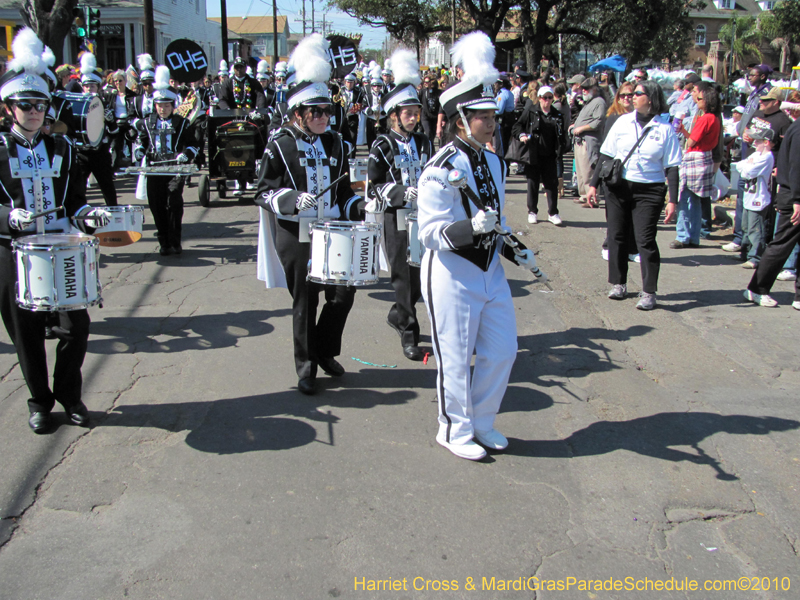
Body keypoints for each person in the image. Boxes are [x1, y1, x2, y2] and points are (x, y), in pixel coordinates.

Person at [417, 32, 546, 461]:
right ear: (460, 119)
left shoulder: (492, 160)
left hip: (490, 269)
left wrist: (515, 250)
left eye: (493, 114)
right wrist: (470, 227)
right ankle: (453, 429)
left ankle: (483, 421)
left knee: (503, 350)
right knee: (454, 357)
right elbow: (430, 233)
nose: (492, 123)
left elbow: (498, 223)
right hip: (452, 272)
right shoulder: (438, 169)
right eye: (483, 116)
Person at [0, 28, 111, 433]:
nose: (33, 112)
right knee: (25, 333)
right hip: (12, 252)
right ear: (10, 108)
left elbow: (76, 199)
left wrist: (88, 216)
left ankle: (70, 395)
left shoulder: (64, 149)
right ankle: (40, 402)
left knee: (76, 325)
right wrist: (10, 219)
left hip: (61, 247)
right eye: (24, 105)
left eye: (40, 105)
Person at [254, 34, 362, 395]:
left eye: (328, 110)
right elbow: (263, 191)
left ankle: (323, 349)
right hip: (296, 233)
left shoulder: (336, 143)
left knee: (343, 293)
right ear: (298, 112)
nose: (323, 117)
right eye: (315, 111)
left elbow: (344, 191)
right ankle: (306, 366)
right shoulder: (280, 144)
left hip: (333, 229)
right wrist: (290, 199)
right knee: (307, 298)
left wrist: (360, 208)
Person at [587, 80, 682, 310]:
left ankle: (649, 291)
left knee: (645, 240)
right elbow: (606, 156)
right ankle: (618, 283)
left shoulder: (665, 128)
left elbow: (672, 167)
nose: (632, 97)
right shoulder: (622, 122)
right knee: (616, 235)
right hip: (619, 187)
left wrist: (673, 200)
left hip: (650, 190)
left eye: (638, 94)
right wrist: (593, 185)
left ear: (651, 98)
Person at [366, 48, 433, 362]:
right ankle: (410, 334)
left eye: (415, 110)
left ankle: (398, 313)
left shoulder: (424, 142)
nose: (413, 115)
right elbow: (374, 187)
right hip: (395, 219)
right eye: (407, 111)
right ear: (393, 114)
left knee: (421, 277)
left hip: (425, 217)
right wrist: (401, 193)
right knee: (402, 276)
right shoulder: (382, 144)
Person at [134, 66, 198, 256]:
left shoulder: (182, 123)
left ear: (173, 105)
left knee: (174, 203)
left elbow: (193, 144)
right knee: (157, 205)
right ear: (155, 105)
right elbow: (141, 141)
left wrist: (186, 154)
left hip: (174, 168)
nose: (163, 109)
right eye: (160, 106)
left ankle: (175, 240)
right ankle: (164, 242)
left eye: (167, 106)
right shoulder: (146, 122)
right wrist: (139, 151)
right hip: (154, 169)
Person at [743, 110, 800, 309]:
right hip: (793, 195)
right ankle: (757, 288)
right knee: (782, 243)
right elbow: (796, 166)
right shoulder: (798, 128)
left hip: (792, 194)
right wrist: (798, 199)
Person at [672, 81, 721, 249]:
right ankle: (693, 236)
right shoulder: (715, 118)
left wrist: (683, 130)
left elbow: (692, 140)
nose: (697, 100)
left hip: (695, 158)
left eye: (699, 98)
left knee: (685, 197)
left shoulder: (705, 118)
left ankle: (683, 235)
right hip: (706, 157)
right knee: (697, 199)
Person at [513, 85, 567, 225]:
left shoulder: (557, 114)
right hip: (533, 153)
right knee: (533, 183)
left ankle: (553, 212)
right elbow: (517, 126)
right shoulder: (531, 111)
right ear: (539, 98)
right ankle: (532, 211)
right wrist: (522, 135)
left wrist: (561, 148)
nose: (547, 101)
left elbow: (562, 134)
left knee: (551, 184)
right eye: (545, 98)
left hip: (550, 154)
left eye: (550, 98)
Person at [77, 52, 118, 207]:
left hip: (100, 151)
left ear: (98, 87)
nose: (89, 89)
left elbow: (114, 133)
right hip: (82, 153)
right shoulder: (77, 105)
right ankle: (78, 215)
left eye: (92, 86)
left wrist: (111, 121)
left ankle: (115, 215)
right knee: (78, 188)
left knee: (107, 186)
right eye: (86, 86)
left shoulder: (104, 104)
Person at [734, 127, 774, 269]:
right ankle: (745, 253)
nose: (754, 143)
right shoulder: (756, 155)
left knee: (755, 229)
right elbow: (739, 165)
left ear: (766, 142)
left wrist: (747, 167)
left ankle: (755, 257)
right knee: (745, 226)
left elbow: (749, 172)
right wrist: (747, 166)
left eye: (758, 140)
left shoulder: (767, 157)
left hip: (759, 199)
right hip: (748, 197)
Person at [571, 77, 606, 207]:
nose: (583, 91)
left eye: (586, 89)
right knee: (580, 171)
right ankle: (584, 195)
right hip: (580, 139)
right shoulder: (589, 102)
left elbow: (598, 122)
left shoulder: (599, 102)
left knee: (588, 172)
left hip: (589, 141)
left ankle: (592, 197)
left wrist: (581, 128)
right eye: (582, 88)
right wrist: (575, 126)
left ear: (594, 89)